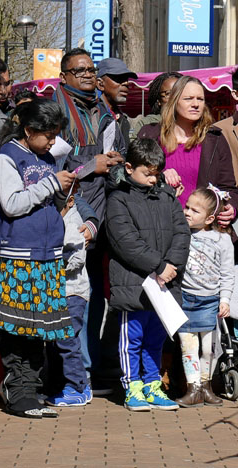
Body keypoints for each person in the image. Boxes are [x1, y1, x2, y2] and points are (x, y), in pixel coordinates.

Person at [0, 98, 76, 418]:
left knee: (39, 328)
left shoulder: (47, 156)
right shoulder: (6, 158)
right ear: (28, 129)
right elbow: (11, 204)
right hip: (19, 255)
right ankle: (16, 390)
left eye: (54, 134)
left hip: (48, 255)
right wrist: (51, 184)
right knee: (17, 327)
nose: (52, 141)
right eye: (48, 134)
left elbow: (46, 196)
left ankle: (33, 388)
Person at [53, 47, 126, 394]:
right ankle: (71, 373)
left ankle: (90, 367)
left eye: (89, 69)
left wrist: (116, 162)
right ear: (63, 75)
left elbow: (118, 157)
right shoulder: (55, 109)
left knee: (95, 294)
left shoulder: (105, 111)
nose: (85, 75)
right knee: (71, 295)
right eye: (77, 70)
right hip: (68, 215)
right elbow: (50, 166)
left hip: (102, 214)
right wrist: (90, 165)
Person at [106, 138, 190, 412]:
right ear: (129, 168)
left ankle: (153, 384)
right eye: (147, 173)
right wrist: (158, 265)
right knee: (132, 338)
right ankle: (132, 387)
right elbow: (124, 241)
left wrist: (171, 265)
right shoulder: (119, 198)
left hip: (165, 285)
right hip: (135, 284)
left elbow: (182, 232)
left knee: (156, 339)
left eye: (157, 173)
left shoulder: (167, 197)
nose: (154, 179)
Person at [138, 75, 238, 214]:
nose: (196, 104)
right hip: (160, 223)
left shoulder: (215, 138)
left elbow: (228, 188)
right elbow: (134, 179)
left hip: (202, 229)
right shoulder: (150, 135)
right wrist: (160, 176)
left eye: (200, 99)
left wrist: (231, 206)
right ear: (174, 101)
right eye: (188, 98)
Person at [175, 187, 233, 408]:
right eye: (187, 207)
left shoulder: (222, 240)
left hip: (210, 301)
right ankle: (193, 389)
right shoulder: (181, 233)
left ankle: (206, 386)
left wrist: (225, 299)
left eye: (195, 210)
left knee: (208, 348)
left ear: (209, 218)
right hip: (186, 299)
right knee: (187, 347)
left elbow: (227, 273)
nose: (187, 212)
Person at [45, 188, 92, 407]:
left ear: (70, 201)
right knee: (56, 341)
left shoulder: (72, 223)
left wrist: (54, 262)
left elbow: (76, 258)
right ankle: (58, 385)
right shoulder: (57, 219)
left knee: (67, 339)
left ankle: (79, 386)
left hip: (73, 292)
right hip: (59, 291)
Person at [96, 58, 138, 148]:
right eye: (119, 79)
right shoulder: (92, 116)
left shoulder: (122, 119)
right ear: (100, 84)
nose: (126, 83)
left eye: (126, 79)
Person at [130, 72, 182, 140]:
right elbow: (134, 149)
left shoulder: (194, 121)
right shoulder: (147, 124)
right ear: (159, 101)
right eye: (168, 93)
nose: (175, 97)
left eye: (179, 92)